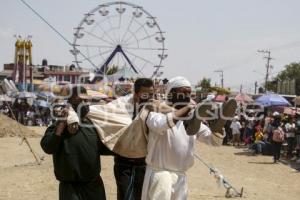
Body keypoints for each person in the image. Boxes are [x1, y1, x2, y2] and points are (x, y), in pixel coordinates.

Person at [141, 76, 233, 200]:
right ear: (171, 93)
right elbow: (160, 125)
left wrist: (218, 129)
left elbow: (213, 141)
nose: (186, 95)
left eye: (189, 93)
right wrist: (186, 111)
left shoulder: (193, 120)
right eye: (183, 92)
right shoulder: (155, 112)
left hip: (181, 177)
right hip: (160, 176)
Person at [41, 85, 112, 200]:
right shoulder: (58, 125)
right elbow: (48, 148)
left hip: (93, 186)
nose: (84, 103)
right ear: (70, 101)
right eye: (80, 100)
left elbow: (105, 147)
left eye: (86, 100)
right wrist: (61, 125)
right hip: (70, 188)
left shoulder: (93, 125)